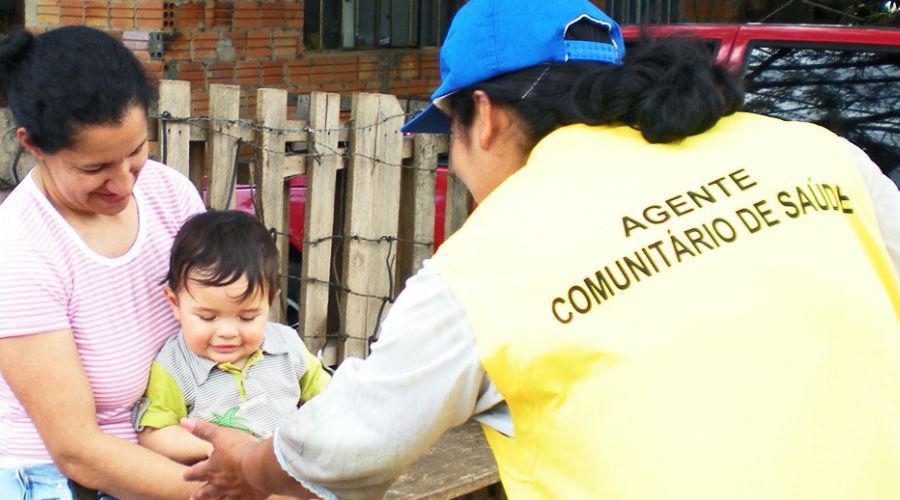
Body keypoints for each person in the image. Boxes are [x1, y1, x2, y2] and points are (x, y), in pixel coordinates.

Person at [183, 0, 900, 498]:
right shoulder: (820, 155)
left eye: (449, 137)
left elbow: (350, 444)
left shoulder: (491, 261)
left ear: (484, 117)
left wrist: (249, 464)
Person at [0, 27, 263, 499]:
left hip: (178, 449)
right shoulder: (18, 251)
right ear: (34, 145)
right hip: (63, 479)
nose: (123, 184)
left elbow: (226, 308)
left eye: (136, 152)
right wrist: (242, 491)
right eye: (94, 168)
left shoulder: (168, 193)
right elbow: (78, 451)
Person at [134, 210, 330, 465]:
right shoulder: (175, 366)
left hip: (287, 473)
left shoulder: (286, 346)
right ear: (175, 303)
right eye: (207, 317)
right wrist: (213, 448)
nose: (227, 332)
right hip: (224, 482)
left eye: (247, 317)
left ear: (270, 301)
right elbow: (155, 435)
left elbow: (328, 396)